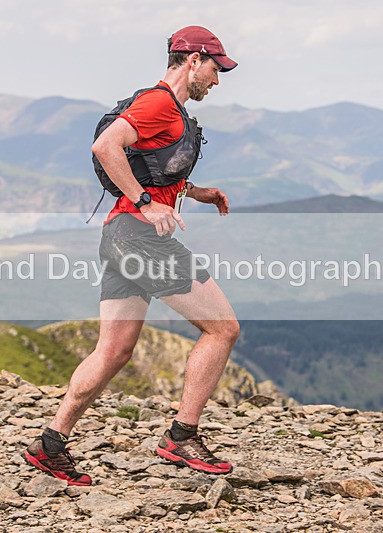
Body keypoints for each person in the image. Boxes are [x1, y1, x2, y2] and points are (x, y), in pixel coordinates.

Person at [22, 25, 239, 486]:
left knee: (114, 351)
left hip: (119, 237)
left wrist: (194, 192)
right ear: (194, 59)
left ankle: (50, 445)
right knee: (222, 329)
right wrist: (144, 201)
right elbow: (106, 146)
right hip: (140, 238)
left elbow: (152, 164)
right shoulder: (159, 101)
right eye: (217, 69)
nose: (218, 81)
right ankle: (182, 436)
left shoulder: (170, 108)